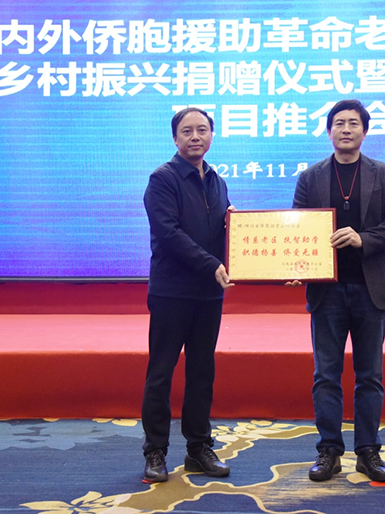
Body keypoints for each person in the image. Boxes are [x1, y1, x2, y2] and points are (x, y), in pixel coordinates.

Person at [291, 99, 385, 482]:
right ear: (329, 131)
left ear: (365, 131)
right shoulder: (311, 177)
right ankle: (328, 450)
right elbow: (296, 229)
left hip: (369, 289)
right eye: (339, 123)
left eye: (353, 123)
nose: (346, 129)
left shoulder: (384, 174)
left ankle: (368, 451)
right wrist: (292, 265)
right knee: (325, 375)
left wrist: (364, 238)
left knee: (369, 375)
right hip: (326, 291)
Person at [141, 107, 234, 483]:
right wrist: (211, 264)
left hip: (209, 293)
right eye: (187, 131)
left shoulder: (217, 180)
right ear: (175, 138)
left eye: (202, 130)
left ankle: (198, 448)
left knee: (201, 373)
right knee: (161, 373)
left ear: (212, 135)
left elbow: (222, 232)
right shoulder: (162, 179)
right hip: (172, 291)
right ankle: (155, 451)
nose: (195, 136)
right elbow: (169, 233)